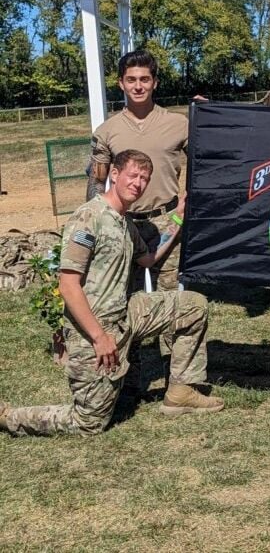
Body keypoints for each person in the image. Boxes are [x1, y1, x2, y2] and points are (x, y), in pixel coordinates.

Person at [0, 150, 223, 437]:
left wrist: (178, 218)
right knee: (89, 423)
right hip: (92, 330)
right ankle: (9, 417)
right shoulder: (89, 217)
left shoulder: (124, 222)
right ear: (115, 175)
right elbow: (68, 286)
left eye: (144, 178)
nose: (138, 183)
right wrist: (99, 337)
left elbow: (149, 259)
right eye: (133, 175)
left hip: (126, 314)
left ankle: (180, 392)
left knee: (193, 305)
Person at [87, 49, 188, 383]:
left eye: (145, 79)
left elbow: (209, 158)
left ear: (155, 82)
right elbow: (97, 181)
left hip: (167, 221)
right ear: (121, 83)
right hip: (123, 224)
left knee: (171, 299)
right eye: (131, 79)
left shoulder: (180, 124)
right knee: (122, 301)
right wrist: (94, 223)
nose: (138, 85)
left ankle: (178, 377)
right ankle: (129, 376)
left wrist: (206, 112)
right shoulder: (107, 131)